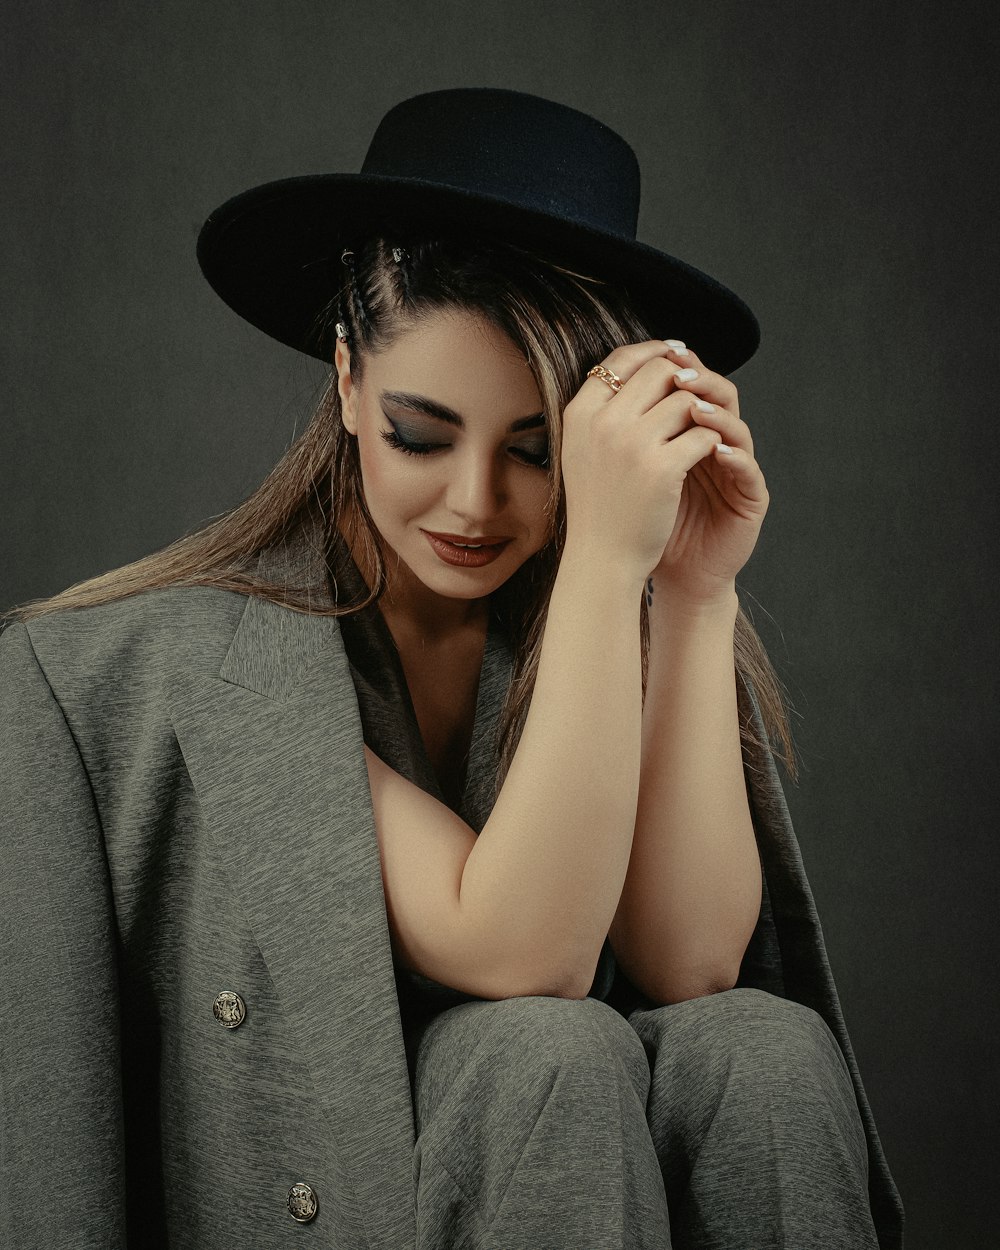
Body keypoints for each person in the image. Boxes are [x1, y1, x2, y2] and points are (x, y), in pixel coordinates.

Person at [0, 88, 903, 1249]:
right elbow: (523, 950)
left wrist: (687, 588)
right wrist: (599, 572)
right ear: (345, 383)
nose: (473, 503)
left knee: (766, 1049)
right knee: (541, 1051)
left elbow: (691, 963)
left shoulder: (609, 605)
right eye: (420, 435)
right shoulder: (156, 672)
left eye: (534, 451)